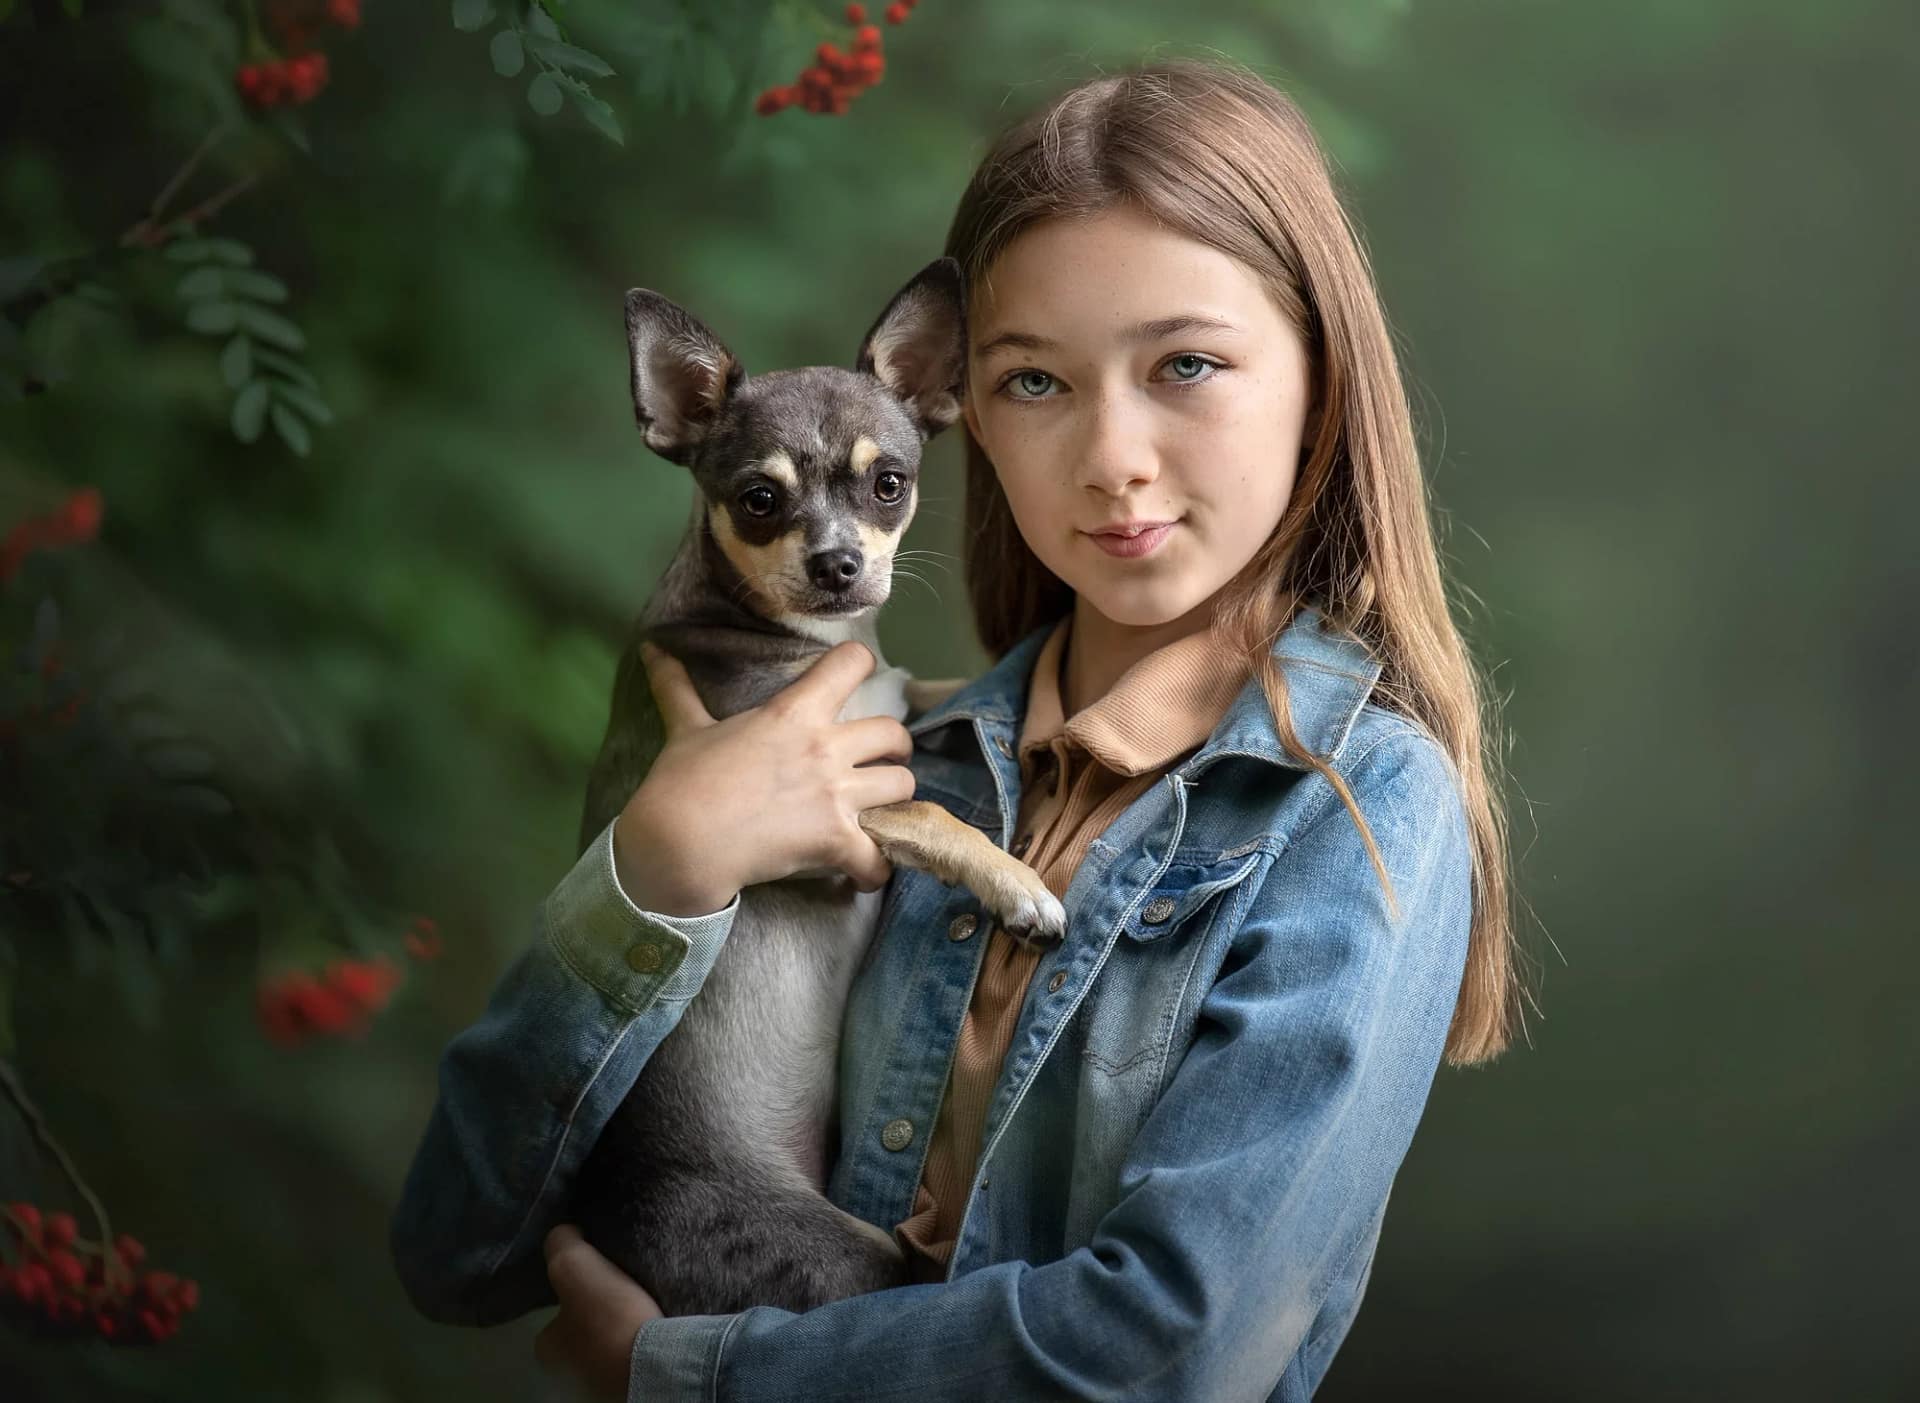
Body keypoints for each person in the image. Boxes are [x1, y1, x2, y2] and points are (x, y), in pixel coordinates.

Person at [391, 54, 1522, 1402]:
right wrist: (654, 873)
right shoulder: (866, 767)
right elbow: (458, 1254)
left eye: (1190, 364)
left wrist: (694, 1378)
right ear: (963, 407)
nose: (1114, 457)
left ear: (1321, 381)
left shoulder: (1349, 807)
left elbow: (1177, 1353)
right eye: (1036, 382)